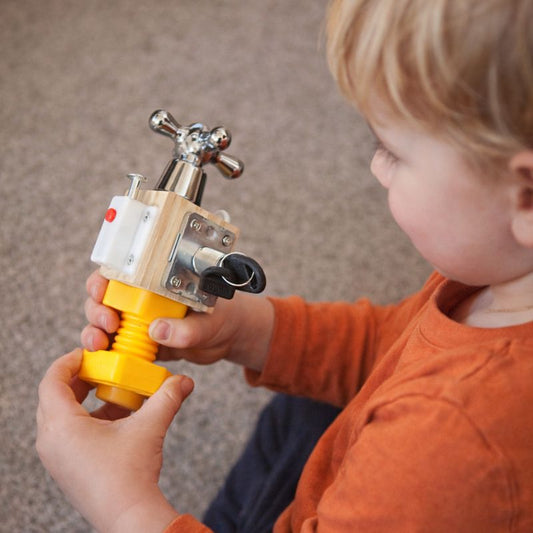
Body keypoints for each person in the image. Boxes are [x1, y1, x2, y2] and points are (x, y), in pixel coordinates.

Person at [36, 0, 533, 531]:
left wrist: (124, 506)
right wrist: (250, 332)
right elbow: (388, 348)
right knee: (306, 412)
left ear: (525, 196)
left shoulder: (448, 441)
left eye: (390, 150)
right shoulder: (497, 278)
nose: (375, 167)